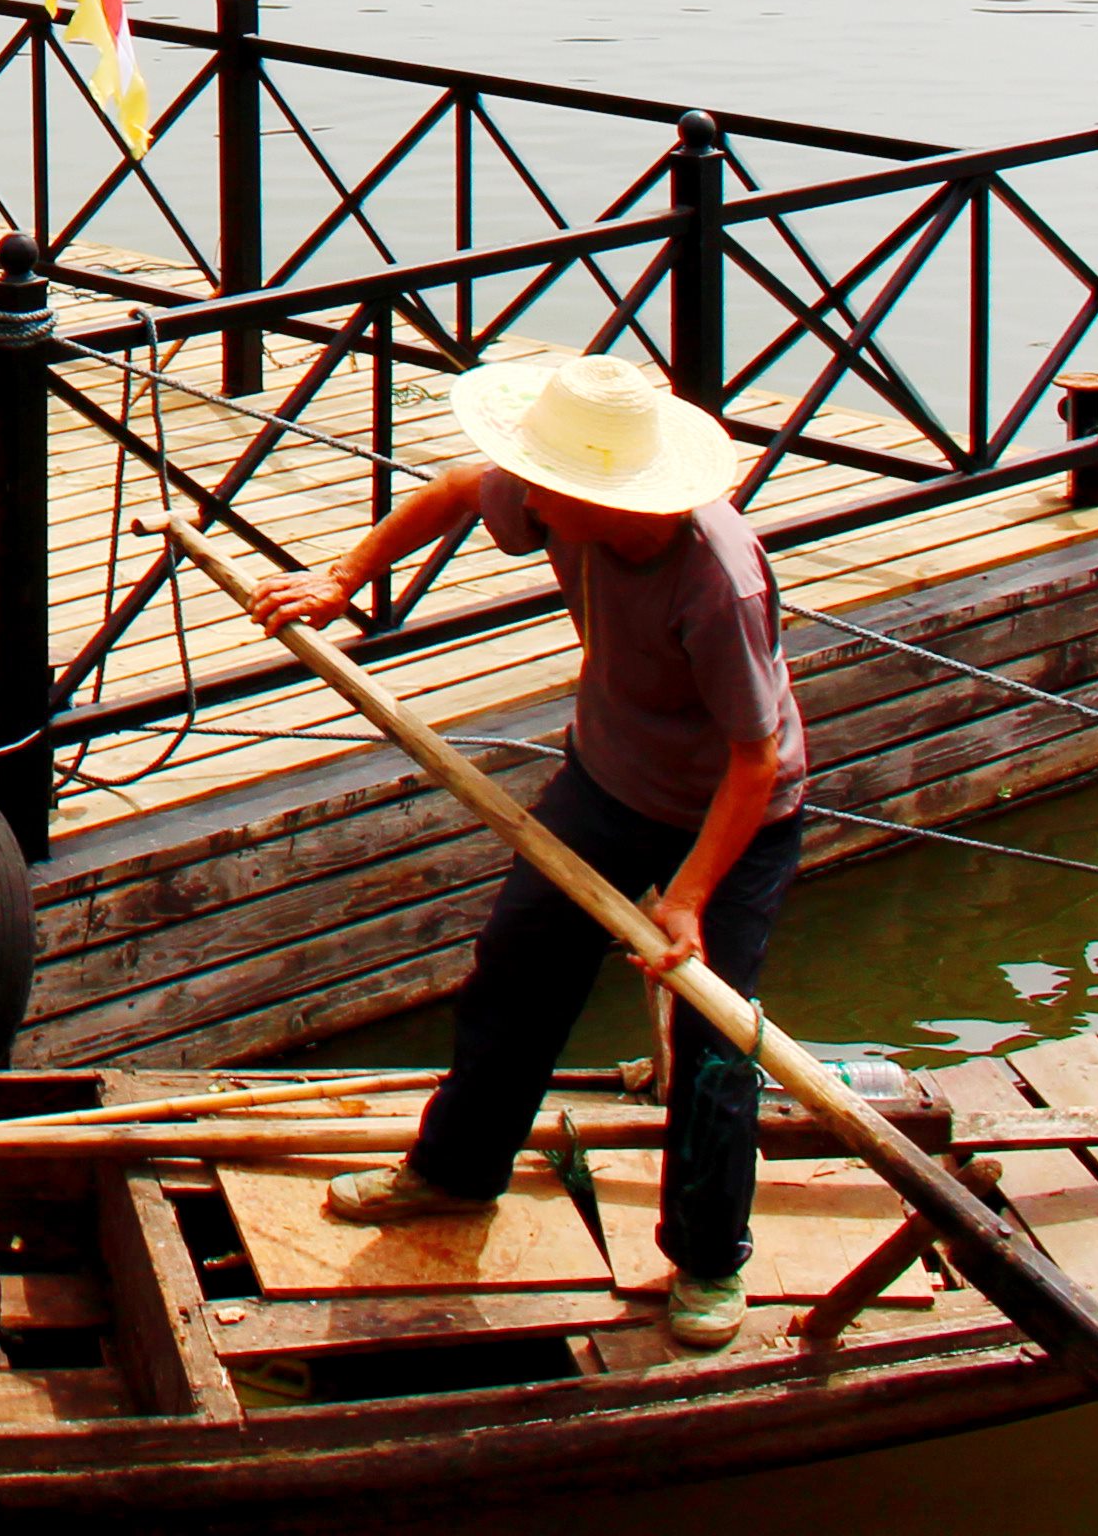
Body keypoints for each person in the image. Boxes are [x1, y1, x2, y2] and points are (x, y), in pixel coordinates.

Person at [245, 352, 805, 1354]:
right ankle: (456, 1171)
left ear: (606, 496)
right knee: (516, 970)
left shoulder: (718, 582)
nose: (526, 495)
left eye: (546, 485)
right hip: (608, 777)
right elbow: (456, 491)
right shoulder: (556, 501)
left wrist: (686, 900)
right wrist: (341, 580)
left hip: (730, 816)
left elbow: (753, 762)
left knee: (716, 1044)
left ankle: (711, 1258)